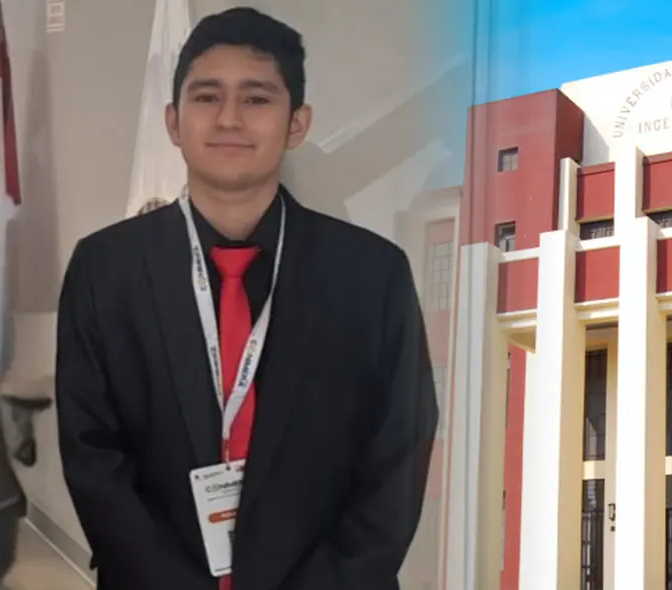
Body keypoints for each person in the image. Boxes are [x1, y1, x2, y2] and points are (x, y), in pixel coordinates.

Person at [54, 7, 438, 590]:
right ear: (173, 122)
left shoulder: (372, 274)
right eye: (207, 97)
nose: (229, 118)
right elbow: (93, 458)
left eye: (256, 99)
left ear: (297, 124)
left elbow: (398, 457)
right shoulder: (105, 270)